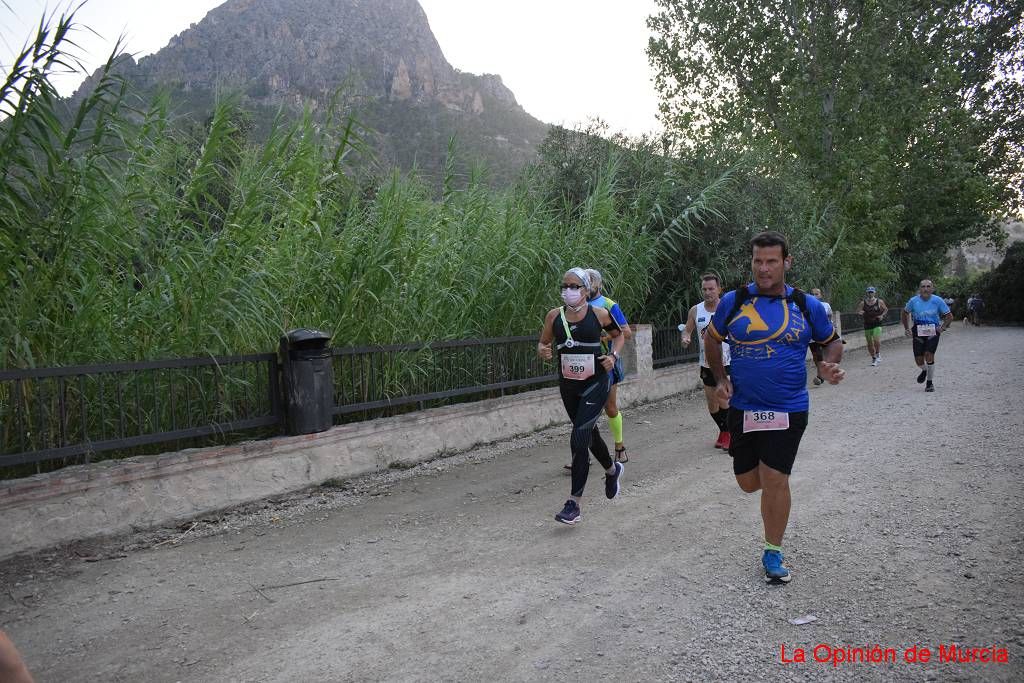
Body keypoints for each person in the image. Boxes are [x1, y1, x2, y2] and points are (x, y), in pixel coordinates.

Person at [704, 231, 844, 584]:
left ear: (786, 263)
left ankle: (773, 550)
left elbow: (831, 342)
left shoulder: (805, 305)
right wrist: (721, 380)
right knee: (749, 482)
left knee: (775, 478)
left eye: (771, 261)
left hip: (788, 406)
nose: (764, 269)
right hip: (744, 408)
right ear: (751, 262)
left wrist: (828, 364)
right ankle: (770, 506)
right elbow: (712, 339)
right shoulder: (733, 302)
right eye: (758, 261)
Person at [538, 268, 626, 525]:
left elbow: (619, 336)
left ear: (586, 290)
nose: (569, 290)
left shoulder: (599, 314)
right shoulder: (554, 316)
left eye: (575, 286)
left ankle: (574, 504)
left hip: (596, 383)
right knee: (588, 434)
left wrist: (612, 356)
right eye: (565, 285)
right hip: (568, 386)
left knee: (578, 438)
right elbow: (543, 343)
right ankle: (612, 470)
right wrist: (543, 351)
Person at [680, 273, 732, 449]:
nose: (708, 292)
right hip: (706, 363)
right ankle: (725, 431)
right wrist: (685, 338)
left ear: (719, 289)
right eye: (704, 289)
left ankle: (729, 435)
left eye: (711, 289)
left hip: (727, 362)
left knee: (723, 397)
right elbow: (687, 330)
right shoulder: (696, 310)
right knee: (712, 403)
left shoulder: (728, 307)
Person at [901, 279, 954, 393]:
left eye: (928, 286)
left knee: (929, 355)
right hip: (918, 330)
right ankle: (925, 370)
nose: (925, 289)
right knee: (919, 360)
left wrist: (943, 327)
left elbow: (949, 316)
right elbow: (904, 313)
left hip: (933, 331)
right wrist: (906, 328)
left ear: (932, 289)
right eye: (923, 287)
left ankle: (929, 383)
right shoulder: (913, 301)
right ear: (919, 289)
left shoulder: (938, 300)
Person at [855, 286, 889, 366]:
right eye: (869, 292)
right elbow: (857, 311)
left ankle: (878, 353)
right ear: (867, 293)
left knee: (876, 339)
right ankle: (874, 358)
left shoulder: (879, 301)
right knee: (869, 343)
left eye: (872, 292)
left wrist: (882, 316)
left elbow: (886, 309)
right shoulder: (863, 303)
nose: (870, 293)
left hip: (877, 323)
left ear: (874, 293)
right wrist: (860, 312)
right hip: (867, 324)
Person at [809, 288, 834, 385]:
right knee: (816, 356)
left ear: (820, 295)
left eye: (816, 294)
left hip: (824, 334)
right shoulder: (806, 306)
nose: (814, 296)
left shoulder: (825, 305)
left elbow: (830, 316)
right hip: (812, 335)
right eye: (812, 294)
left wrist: (830, 326)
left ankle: (822, 375)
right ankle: (821, 374)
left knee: (824, 354)